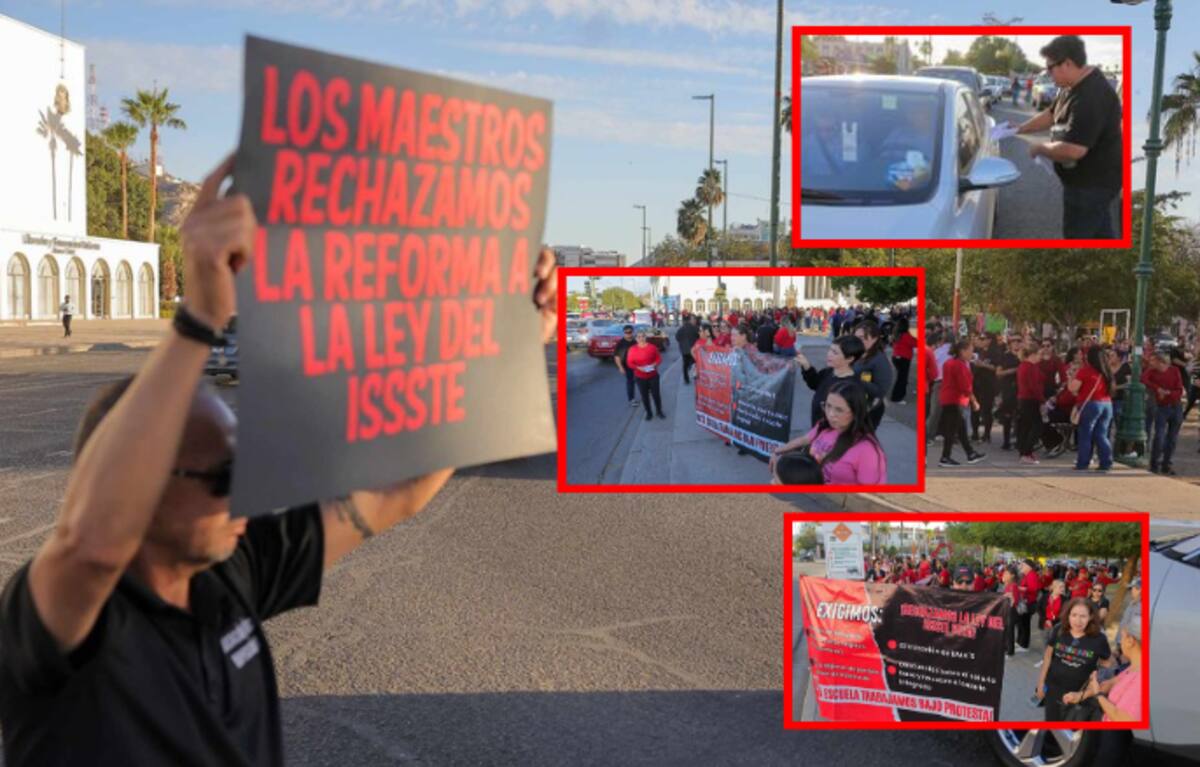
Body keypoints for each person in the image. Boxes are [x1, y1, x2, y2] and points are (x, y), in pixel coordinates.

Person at [0, 155, 559, 766]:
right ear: (138, 486)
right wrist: (200, 318)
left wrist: (508, 350)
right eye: (224, 476)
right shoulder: (61, 616)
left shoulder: (231, 568)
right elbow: (91, 543)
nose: (249, 490)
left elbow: (396, 491)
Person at [1016, 35, 1123, 239]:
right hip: (1085, 185)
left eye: (1050, 68)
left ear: (1067, 63)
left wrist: (1040, 148)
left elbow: (1074, 150)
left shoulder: (1091, 96)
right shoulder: (1070, 86)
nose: (1049, 74)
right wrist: (1021, 128)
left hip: (1091, 187)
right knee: (1100, 233)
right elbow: (1051, 114)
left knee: (1078, 238)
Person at [770, 380, 886, 485]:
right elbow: (805, 439)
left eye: (839, 410)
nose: (830, 414)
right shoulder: (824, 426)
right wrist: (778, 451)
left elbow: (870, 494)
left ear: (856, 412)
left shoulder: (868, 451)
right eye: (828, 406)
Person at [1062, 620, 1143, 766]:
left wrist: (1098, 695)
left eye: (1122, 637)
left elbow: (1123, 718)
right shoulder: (1133, 667)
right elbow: (1110, 683)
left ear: (1131, 640)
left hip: (1115, 743)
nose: (1120, 642)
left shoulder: (1141, 677)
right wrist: (1081, 695)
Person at [1037, 598, 1112, 722]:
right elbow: (1048, 656)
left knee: (1071, 728)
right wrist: (1040, 683)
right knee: (1051, 723)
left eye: (1083, 616)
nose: (1078, 621)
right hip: (1053, 689)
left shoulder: (1099, 639)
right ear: (1068, 615)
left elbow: (1107, 662)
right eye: (1074, 615)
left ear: (1090, 617)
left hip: (1079, 693)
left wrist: (1096, 679)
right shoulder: (1059, 630)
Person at [796, 335, 866, 429]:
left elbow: (850, 423)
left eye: (835, 353)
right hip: (818, 430)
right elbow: (815, 383)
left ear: (850, 359)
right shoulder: (829, 371)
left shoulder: (852, 387)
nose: (829, 354)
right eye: (830, 349)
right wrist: (806, 365)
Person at [938, 339, 986, 467]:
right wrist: (974, 401)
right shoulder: (959, 365)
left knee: (959, 428)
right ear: (962, 351)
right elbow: (965, 386)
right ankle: (946, 457)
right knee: (953, 429)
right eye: (970, 351)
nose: (972, 354)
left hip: (948, 398)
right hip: (955, 399)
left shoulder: (949, 362)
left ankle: (969, 453)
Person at [1069, 345, 1114, 471]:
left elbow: (1073, 388)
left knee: (1086, 434)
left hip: (1090, 404)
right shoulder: (1107, 371)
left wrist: (1071, 377)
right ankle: (1106, 462)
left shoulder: (1085, 371)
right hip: (1107, 404)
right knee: (1101, 435)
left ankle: (1083, 463)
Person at [1141, 350, 1184, 475]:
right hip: (1162, 408)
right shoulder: (1152, 371)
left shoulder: (1174, 370)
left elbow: (1179, 389)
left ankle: (1166, 464)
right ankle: (1154, 464)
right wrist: (1157, 388)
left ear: (1160, 362)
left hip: (1176, 407)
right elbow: (1143, 379)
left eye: (1153, 360)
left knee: (1172, 438)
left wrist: (1168, 393)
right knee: (1159, 437)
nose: (1150, 362)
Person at [853, 321, 895, 430]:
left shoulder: (879, 360)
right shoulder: (857, 353)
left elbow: (881, 390)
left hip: (868, 410)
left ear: (875, 339)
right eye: (855, 337)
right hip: (853, 406)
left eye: (862, 338)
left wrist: (855, 380)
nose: (857, 341)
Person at [626, 329, 665, 422]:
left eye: (642, 336)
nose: (641, 338)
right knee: (644, 396)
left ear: (645, 337)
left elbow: (659, 358)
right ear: (636, 339)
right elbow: (629, 362)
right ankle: (649, 413)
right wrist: (638, 368)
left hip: (653, 375)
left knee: (656, 395)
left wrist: (655, 364)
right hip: (640, 377)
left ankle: (659, 411)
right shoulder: (632, 349)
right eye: (638, 337)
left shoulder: (652, 347)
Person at [1016, 346, 1046, 464]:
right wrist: (1042, 400)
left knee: (1026, 427)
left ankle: (1024, 452)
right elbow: (1034, 386)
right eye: (1039, 354)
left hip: (1023, 399)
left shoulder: (1023, 365)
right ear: (1033, 355)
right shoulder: (1030, 367)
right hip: (1030, 399)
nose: (1040, 357)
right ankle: (1027, 452)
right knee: (1037, 426)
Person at [889, 318, 916, 405]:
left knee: (901, 378)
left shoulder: (896, 334)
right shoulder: (905, 335)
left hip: (896, 357)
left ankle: (898, 395)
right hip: (904, 358)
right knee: (902, 379)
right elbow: (915, 343)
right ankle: (896, 397)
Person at [611, 325, 639, 408]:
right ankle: (632, 399)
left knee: (641, 380)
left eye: (630, 332)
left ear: (633, 332)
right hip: (627, 366)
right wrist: (620, 367)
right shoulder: (620, 343)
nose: (628, 334)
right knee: (630, 382)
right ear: (624, 333)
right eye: (626, 332)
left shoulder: (636, 341)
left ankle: (646, 392)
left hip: (638, 365)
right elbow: (617, 356)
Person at [675, 315, 700, 386]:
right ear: (690, 320)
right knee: (695, 364)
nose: (695, 321)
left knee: (685, 365)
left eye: (695, 320)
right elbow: (699, 337)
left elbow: (677, 337)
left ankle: (686, 379)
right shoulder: (695, 328)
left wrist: (682, 343)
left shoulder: (682, 328)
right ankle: (695, 377)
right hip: (693, 350)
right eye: (694, 320)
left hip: (684, 350)